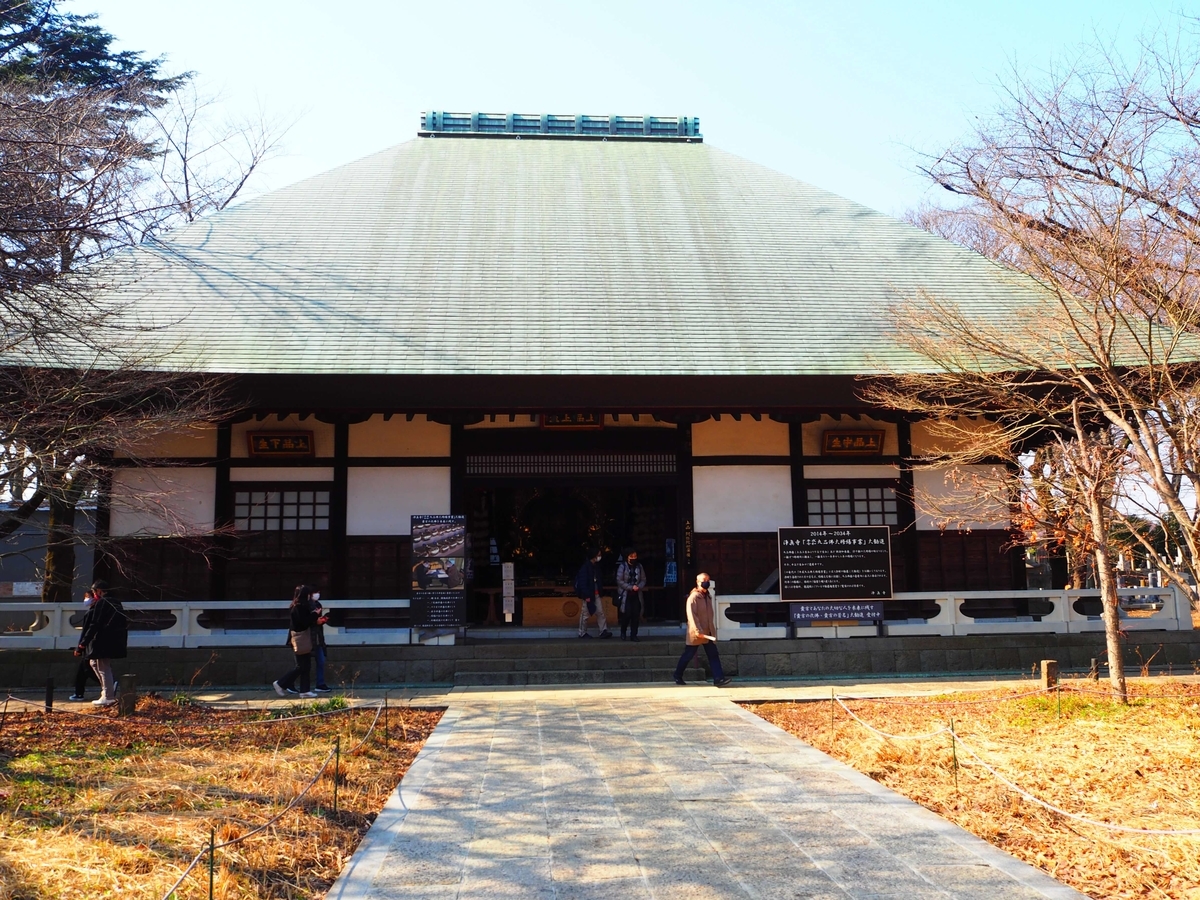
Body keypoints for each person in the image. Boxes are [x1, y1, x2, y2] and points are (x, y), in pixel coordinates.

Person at [73, 581, 128, 707]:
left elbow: (94, 624)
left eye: (94, 592)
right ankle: (105, 691)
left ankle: (108, 696)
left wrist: (83, 643)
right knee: (93, 663)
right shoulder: (115, 602)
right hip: (114, 639)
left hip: (103, 640)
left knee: (103, 667)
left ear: (99, 591)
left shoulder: (102, 603)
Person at [673, 572, 730, 686]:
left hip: (708, 631)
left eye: (708, 580)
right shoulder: (693, 597)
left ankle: (718, 678)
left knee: (713, 654)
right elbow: (692, 616)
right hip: (697, 632)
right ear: (698, 582)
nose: (706, 582)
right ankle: (677, 675)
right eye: (704, 580)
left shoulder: (707, 596)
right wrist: (697, 630)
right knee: (688, 655)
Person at [273, 584, 319, 698]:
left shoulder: (298, 606)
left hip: (301, 638)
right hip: (300, 639)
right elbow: (304, 623)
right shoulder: (299, 607)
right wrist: (314, 614)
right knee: (301, 666)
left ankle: (305, 690)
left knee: (306, 665)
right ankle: (280, 683)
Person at [68, 590, 101, 701]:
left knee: (87, 669)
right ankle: (78, 693)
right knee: (82, 672)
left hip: (89, 646)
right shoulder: (95, 611)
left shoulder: (92, 613)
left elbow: (87, 631)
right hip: (89, 645)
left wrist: (81, 646)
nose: (85, 600)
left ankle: (108, 683)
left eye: (88, 597)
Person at [573, 548, 612, 639]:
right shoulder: (585, 568)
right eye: (598, 555)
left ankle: (603, 630)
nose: (599, 556)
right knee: (585, 614)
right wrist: (586, 595)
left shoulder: (595, 567)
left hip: (596, 593)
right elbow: (583, 583)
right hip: (589, 594)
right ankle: (582, 632)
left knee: (600, 612)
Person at [616, 548, 647, 641]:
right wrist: (630, 587)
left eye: (635, 556)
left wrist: (639, 586)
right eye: (631, 556)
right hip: (626, 594)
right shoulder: (622, 566)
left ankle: (634, 634)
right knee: (627, 614)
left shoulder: (639, 566)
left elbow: (643, 579)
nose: (633, 558)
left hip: (636, 594)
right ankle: (623, 632)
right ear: (627, 557)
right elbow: (619, 580)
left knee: (636, 615)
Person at [310, 589, 332, 693]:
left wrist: (322, 620)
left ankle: (320, 683)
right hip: (309, 638)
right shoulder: (305, 605)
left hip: (318, 638)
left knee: (321, 661)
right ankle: (288, 683)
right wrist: (315, 620)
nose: (317, 595)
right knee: (302, 665)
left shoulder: (318, 604)